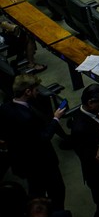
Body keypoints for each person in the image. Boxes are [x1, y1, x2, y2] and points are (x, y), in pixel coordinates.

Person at [0, 74, 68, 208]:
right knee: (57, 191)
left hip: (23, 160)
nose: (37, 92)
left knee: (36, 190)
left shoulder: (5, 107)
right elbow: (44, 137)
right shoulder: (27, 118)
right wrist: (56, 118)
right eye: (36, 90)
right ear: (28, 91)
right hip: (42, 162)